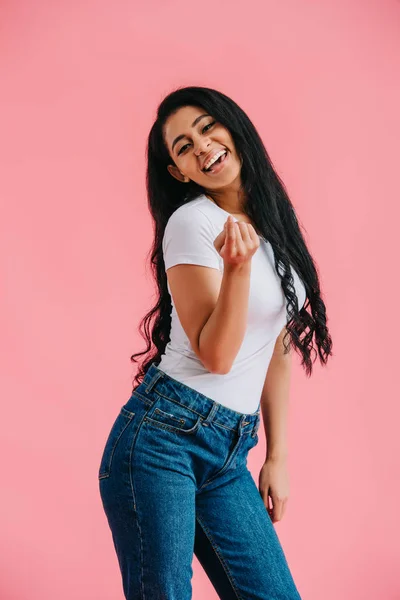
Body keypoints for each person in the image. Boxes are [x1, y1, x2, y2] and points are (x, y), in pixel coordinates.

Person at [98, 86, 333, 600]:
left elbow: (276, 348)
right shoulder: (192, 222)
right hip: (162, 440)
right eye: (183, 147)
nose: (202, 147)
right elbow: (217, 356)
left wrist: (278, 454)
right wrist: (237, 271)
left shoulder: (272, 227)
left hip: (230, 449)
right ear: (178, 172)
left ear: (233, 128)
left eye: (207, 128)